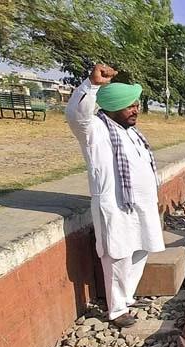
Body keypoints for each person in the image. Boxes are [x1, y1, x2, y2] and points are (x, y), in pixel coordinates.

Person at [66, 64, 165, 328]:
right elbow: (76, 115)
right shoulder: (94, 130)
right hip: (115, 206)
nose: (136, 110)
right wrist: (92, 85)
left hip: (141, 206)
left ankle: (127, 297)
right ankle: (116, 309)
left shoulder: (131, 133)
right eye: (129, 105)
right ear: (111, 106)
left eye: (136, 105)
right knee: (117, 256)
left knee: (142, 249)